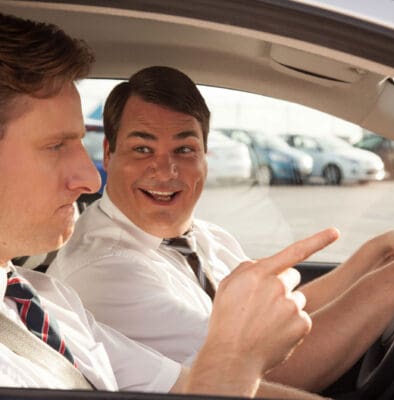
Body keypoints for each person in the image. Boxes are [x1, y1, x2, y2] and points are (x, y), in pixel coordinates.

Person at [0, 11, 339, 399]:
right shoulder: (96, 274)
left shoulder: (46, 298)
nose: (91, 180)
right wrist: (237, 360)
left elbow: (183, 386)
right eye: (56, 146)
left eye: (185, 149)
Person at [48, 64, 394, 394]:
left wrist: (378, 253)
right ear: (109, 154)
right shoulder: (105, 271)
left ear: (205, 156)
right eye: (142, 149)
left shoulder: (205, 237)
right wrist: (390, 283)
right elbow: (256, 372)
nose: (166, 170)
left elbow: (275, 323)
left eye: (184, 149)